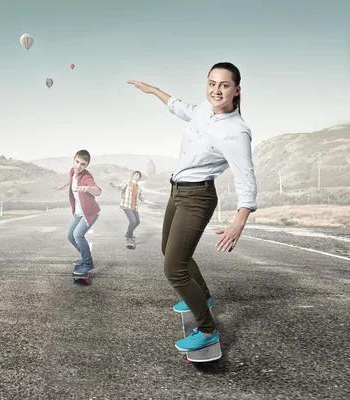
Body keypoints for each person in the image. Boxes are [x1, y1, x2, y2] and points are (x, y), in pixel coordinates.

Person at [128, 62, 257, 353]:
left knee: (173, 269)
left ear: (237, 90)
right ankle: (205, 296)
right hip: (178, 191)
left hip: (198, 196)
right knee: (169, 251)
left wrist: (240, 221)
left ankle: (208, 329)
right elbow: (181, 108)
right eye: (212, 83)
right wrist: (153, 90)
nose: (217, 90)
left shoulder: (236, 132)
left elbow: (246, 178)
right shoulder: (204, 109)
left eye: (224, 85)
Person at [54, 150, 102, 275]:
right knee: (70, 236)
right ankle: (85, 257)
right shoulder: (72, 171)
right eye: (77, 162)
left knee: (78, 235)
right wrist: (61, 187)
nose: (78, 166)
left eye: (83, 164)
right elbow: (71, 180)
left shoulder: (86, 177)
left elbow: (97, 190)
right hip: (79, 213)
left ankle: (88, 264)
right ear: (73, 159)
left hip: (89, 212)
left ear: (86, 166)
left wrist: (87, 188)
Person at [109, 171, 154, 247]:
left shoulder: (138, 187)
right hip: (126, 205)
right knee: (133, 221)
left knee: (137, 221)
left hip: (134, 207)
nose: (137, 175)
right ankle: (129, 238)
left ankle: (128, 233)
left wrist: (151, 203)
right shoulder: (127, 182)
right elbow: (119, 187)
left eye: (138, 175)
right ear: (133, 176)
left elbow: (142, 198)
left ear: (139, 178)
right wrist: (114, 186)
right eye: (135, 174)